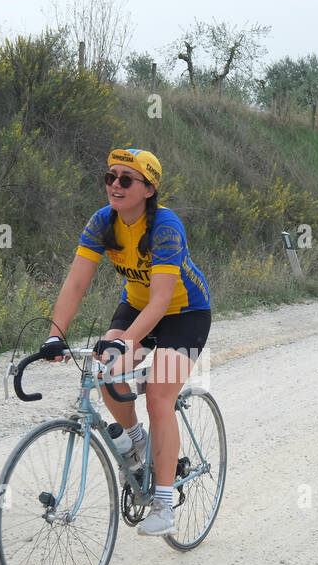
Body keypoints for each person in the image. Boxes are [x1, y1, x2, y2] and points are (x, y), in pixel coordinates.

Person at [41, 149, 211, 537]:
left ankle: (165, 504)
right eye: (110, 177)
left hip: (184, 314)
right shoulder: (103, 221)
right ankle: (137, 444)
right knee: (105, 373)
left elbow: (162, 300)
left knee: (157, 394)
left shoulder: (166, 227)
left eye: (126, 180)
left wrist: (126, 343)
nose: (114, 185)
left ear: (149, 189)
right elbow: (77, 282)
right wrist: (55, 333)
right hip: (136, 308)